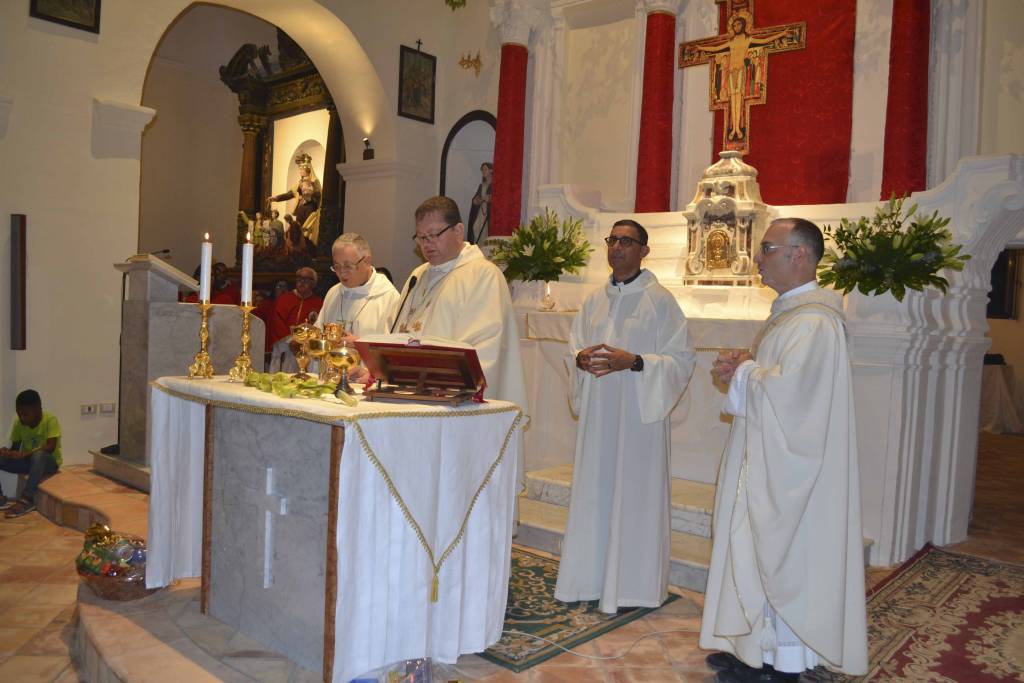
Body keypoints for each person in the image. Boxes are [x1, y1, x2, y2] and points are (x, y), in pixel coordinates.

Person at [700, 218, 868, 681]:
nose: (756, 258)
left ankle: (783, 661)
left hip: (792, 473)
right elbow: (775, 380)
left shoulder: (815, 323)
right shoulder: (792, 314)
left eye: (767, 248)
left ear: (800, 254)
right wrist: (744, 367)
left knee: (784, 554)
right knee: (751, 547)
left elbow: (794, 401)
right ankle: (751, 647)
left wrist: (745, 372)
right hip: (764, 458)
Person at [554, 220, 696, 613]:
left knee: (634, 496)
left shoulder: (660, 301)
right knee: (595, 492)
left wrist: (633, 361)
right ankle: (588, 579)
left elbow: (681, 360)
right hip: (599, 417)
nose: (617, 247)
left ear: (644, 251)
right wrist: (580, 359)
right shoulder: (593, 301)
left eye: (626, 241)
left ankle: (633, 588)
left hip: (638, 420)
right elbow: (573, 349)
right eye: (613, 240)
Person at [392, 196, 527, 412]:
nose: (426, 244)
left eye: (434, 235)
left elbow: (485, 346)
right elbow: (396, 330)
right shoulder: (418, 276)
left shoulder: (483, 275)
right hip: (410, 393)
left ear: (458, 230)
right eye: (421, 237)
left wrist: (439, 381)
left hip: (453, 402)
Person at [317, 233, 400, 380]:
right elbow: (319, 333)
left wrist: (360, 345)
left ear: (366, 261)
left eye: (348, 266)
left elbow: (395, 352)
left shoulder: (388, 298)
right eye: (336, 266)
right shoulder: (334, 293)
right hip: (331, 381)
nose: (341, 273)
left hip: (364, 383)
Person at [0, 390, 62, 518]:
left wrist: (25, 454)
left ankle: (27, 499)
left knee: (38, 455)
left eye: (25, 414)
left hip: (49, 464)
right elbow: (16, 448)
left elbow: (50, 447)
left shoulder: (50, 420)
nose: (21, 417)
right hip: (29, 463)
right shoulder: (19, 423)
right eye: (19, 413)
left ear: (38, 409)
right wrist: (8, 452)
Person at [267, 267, 324, 371]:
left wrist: (304, 343)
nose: (302, 282)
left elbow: (320, 327)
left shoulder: (319, 303)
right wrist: (291, 341)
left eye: (306, 279)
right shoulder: (284, 300)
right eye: (299, 278)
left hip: (309, 349)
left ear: (314, 283)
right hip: (286, 347)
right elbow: (276, 324)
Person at [466, 162, 492, 244]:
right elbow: (475, 199)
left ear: (491, 170)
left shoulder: (495, 185)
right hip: (481, 212)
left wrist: (490, 199)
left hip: (489, 214)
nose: (483, 171)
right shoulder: (482, 186)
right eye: (482, 169)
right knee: (476, 228)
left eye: (485, 169)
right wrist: (477, 201)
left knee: (486, 232)